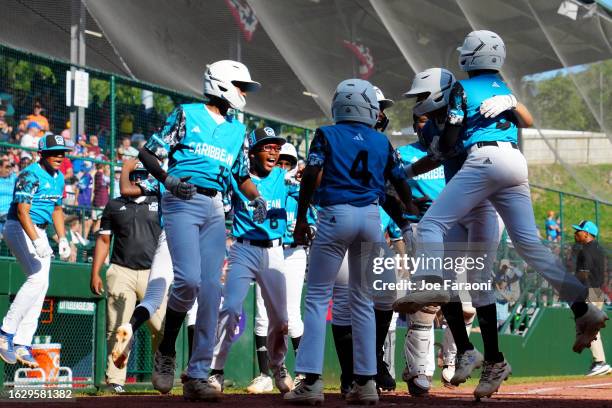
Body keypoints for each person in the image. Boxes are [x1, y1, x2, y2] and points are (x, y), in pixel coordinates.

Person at [394, 30, 607, 399]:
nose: (418, 109)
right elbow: (520, 121)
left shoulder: (462, 92)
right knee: (528, 248)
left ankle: (431, 288)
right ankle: (580, 306)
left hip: (484, 165)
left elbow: (452, 137)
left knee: (430, 226)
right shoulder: (497, 87)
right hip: (511, 162)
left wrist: (443, 145)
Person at [138, 59, 265, 401]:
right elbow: (148, 154)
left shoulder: (238, 130)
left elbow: (241, 176)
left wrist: (257, 198)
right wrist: (168, 179)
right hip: (180, 198)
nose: (243, 93)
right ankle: (166, 349)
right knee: (189, 281)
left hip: (214, 207)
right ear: (222, 83)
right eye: (240, 86)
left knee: (211, 290)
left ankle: (197, 374)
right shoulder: (186, 113)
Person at [284, 78, 416, 405]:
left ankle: (311, 382)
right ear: (368, 107)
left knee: (316, 298)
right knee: (362, 300)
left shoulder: (327, 134)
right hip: (370, 218)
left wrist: (301, 217)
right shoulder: (380, 141)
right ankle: (366, 383)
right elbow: (398, 180)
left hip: (334, 215)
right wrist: (411, 208)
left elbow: (313, 173)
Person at [208, 127, 294, 395]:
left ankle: (278, 366)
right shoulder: (238, 179)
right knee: (231, 308)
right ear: (253, 152)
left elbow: (309, 188)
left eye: (276, 147)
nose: (273, 151)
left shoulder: (284, 176)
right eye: (266, 146)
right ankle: (215, 371)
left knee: (280, 319)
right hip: (243, 249)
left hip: (274, 251)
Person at [89, 162, 165, 393]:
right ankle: (115, 380)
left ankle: (162, 373)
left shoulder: (160, 202)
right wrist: (96, 272)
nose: (137, 179)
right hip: (121, 270)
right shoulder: (114, 205)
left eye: (142, 175)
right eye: (133, 175)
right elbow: (104, 241)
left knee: (161, 327)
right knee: (118, 326)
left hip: (154, 272)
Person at [246, 142, 312, 394]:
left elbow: (311, 214)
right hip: (268, 250)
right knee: (263, 313)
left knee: (292, 316)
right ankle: (265, 374)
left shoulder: (297, 191)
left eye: (288, 163)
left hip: (293, 253)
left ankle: (305, 374)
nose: (283, 166)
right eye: (280, 161)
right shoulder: (264, 185)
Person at [0, 134, 71, 366]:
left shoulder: (59, 177)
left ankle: (22, 342)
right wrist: (37, 240)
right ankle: (5, 333)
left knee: (42, 285)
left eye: (62, 152)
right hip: (19, 227)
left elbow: (57, 209)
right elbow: (22, 211)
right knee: (37, 279)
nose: (59, 156)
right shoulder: (29, 174)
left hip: (39, 230)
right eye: (54, 152)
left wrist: (62, 238)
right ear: (42, 154)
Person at [572, 220, 610, 376]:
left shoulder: (586, 250)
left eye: (578, 231)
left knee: (590, 326)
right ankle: (598, 361)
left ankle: (600, 362)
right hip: (597, 290)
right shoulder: (598, 249)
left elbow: (584, 273)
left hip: (590, 291)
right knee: (590, 326)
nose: (575, 233)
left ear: (586, 233)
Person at [0, 156, 16, 239]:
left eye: (10, 167)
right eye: (6, 167)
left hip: (9, 214)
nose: (8, 169)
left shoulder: (13, 177)